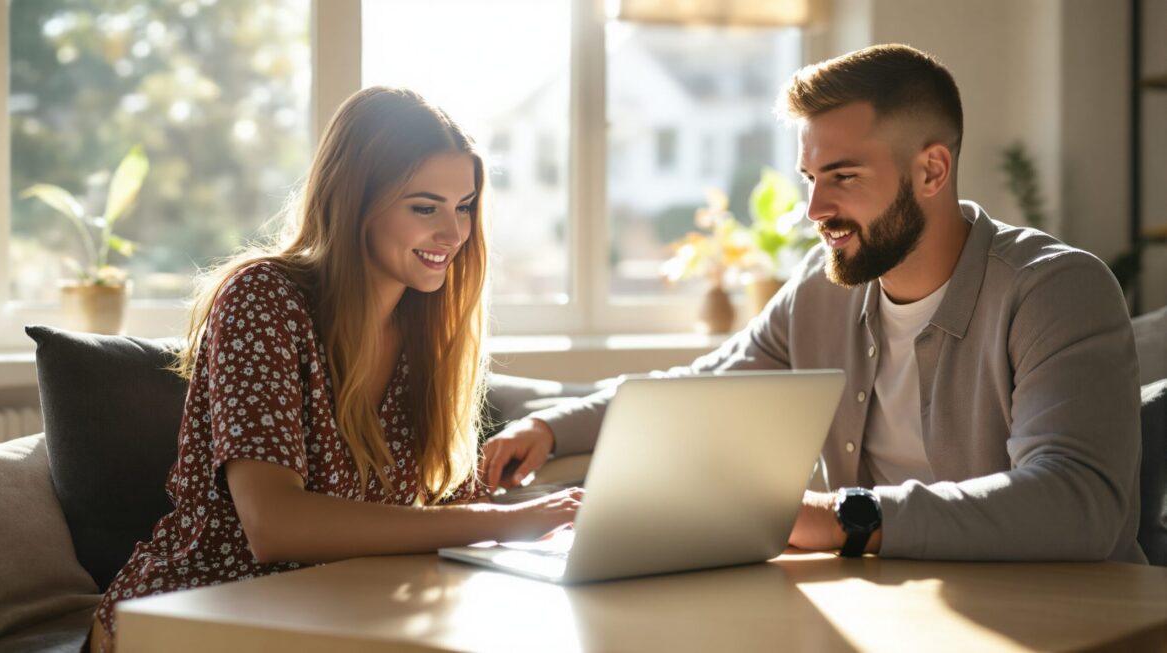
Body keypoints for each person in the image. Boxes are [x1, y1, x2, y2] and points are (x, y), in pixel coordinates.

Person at [483, 44, 1145, 564]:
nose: (815, 210)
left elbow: (1075, 501)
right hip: (890, 606)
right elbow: (701, 387)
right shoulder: (823, 289)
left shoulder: (1056, 290)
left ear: (933, 170)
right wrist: (550, 427)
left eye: (844, 176)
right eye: (810, 177)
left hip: (1066, 620)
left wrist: (842, 516)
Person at [89, 87, 582, 652]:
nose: (453, 234)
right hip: (195, 611)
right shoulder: (261, 299)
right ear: (355, 202)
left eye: (464, 206)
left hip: (341, 608)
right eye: (425, 208)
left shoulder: (426, 325)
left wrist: (557, 518)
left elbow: (447, 511)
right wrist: (498, 524)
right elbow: (274, 525)